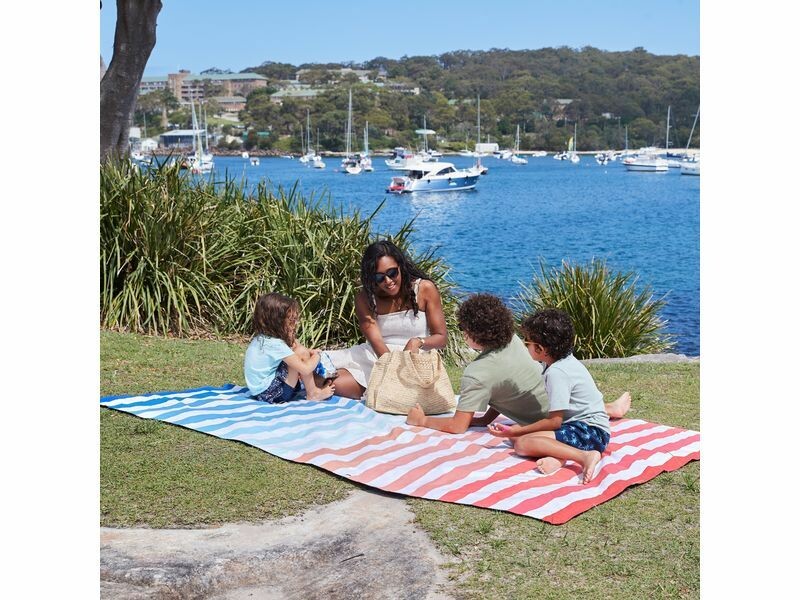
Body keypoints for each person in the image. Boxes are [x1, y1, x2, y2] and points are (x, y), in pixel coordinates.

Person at [488, 308, 630, 484]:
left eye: (527, 343)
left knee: (522, 443)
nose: (525, 347)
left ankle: (584, 456)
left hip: (591, 433)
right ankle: (558, 456)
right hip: (575, 426)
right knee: (516, 434)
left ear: (540, 348)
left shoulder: (557, 373)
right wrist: (516, 430)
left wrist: (518, 430)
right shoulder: (559, 362)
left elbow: (554, 422)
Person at [405, 293, 549, 434]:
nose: (462, 332)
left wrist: (422, 420)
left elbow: (457, 426)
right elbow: (505, 387)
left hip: (547, 424)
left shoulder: (477, 373)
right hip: (555, 409)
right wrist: (485, 419)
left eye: (462, 327)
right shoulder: (512, 340)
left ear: (473, 333)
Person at [326, 240, 448, 399]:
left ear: (400, 266)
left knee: (333, 384)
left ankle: (383, 392)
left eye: (392, 273)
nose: (388, 281)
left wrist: (417, 342)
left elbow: (441, 338)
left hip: (416, 360)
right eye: (379, 277)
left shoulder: (424, 289)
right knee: (325, 375)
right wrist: (394, 372)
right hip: (379, 357)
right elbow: (376, 342)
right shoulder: (365, 298)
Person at [244, 292, 335, 403]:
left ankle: (315, 384)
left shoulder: (262, 338)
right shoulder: (275, 344)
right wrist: (317, 355)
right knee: (301, 353)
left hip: (260, 392)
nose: (295, 323)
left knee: (300, 351)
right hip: (274, 395)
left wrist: (304, 349)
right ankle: (313, 393)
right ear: (277, 322)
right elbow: (305, 369)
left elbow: (293, 347)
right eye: (291, 320)